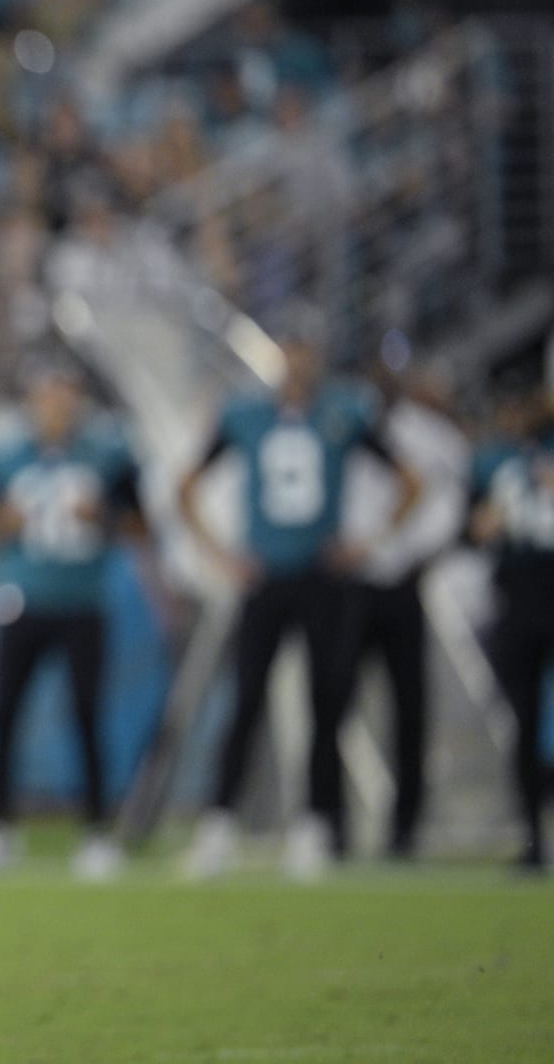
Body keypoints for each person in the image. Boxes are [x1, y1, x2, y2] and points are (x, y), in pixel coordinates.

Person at [178, 328, 422, 880]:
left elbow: (411, 480)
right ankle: (219, 825)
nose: (297, 360)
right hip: (264, 577)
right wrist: (220, 554)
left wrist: (369, 543)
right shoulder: (244, 413)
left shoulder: (345, 410)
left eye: (305, 348)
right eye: (290, 348)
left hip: (322, 578)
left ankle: (316, 826)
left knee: (326, 703)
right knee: (245, 701)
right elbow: (186, 485)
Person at [0, 364, 146, 880]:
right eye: (48, 395)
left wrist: (102, 518)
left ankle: (97, 832)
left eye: (65, 396)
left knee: (87, 714)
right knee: (4, 714)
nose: (57, 406)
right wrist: (3, 522)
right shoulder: (5, 457)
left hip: (83, 602)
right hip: (22, 602)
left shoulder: (108, 453)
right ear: (33, 401)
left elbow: (141, 526)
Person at [334, 370, 469, 860]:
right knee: (332, 702)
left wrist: (408, 550)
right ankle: (329, 824)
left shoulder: (431, 435)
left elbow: (444, 501)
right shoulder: (341, 419)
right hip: (350, 583)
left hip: (404, 579)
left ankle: (406, 829)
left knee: (410, 708)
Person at [467, 386, 554, 872]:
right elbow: (471, 529)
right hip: (517, 603)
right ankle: (532, 836)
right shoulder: (495, 462)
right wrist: (485, 522)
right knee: (523, 722)